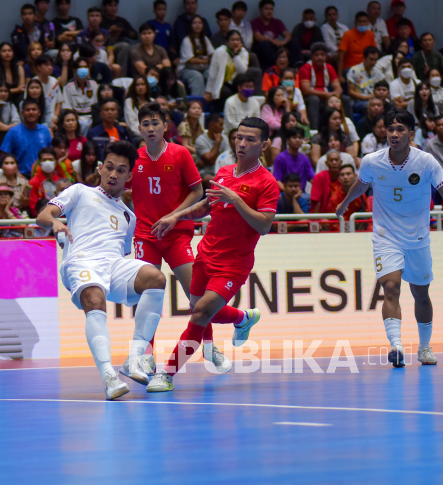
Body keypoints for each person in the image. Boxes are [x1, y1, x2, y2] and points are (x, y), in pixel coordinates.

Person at [146, 117, 277, 392]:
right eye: (239, 137)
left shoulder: (267, 183)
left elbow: (264, 225)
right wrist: (175, 217)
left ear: (263, 145)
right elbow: (206, 206)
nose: (242, 143)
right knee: (201, 311)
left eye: (250, 139)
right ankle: (243, 318)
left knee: (201, 313)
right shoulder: (224, 172)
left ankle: (166, 374)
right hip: (206, 255)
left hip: (233, 264)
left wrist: (236, 200)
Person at [336, 109, 443, 368]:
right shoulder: (371, 161)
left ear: (411, 135)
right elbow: (362, 184)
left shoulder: (426, 162)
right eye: (390, 129)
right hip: (386, 236)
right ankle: (396, 346)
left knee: (421, 294)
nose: (394, 134)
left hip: (418, 237)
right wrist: (345, 204)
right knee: (390, 288)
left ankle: (424, 347)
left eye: (400, 130)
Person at [37, 140, 166, 399]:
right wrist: (56, 224)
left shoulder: (129, 216)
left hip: (113, 265)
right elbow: (43, 215)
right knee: (95, 298)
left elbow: (124, 254)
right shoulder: (79, 192)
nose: (113, 174)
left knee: (156, 277)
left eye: (121, 170)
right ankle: (109, 376)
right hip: (82, 260)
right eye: (109, 167)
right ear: (100, 168)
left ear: (129, 176)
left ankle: (135, 358)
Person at [132, 103, 230, 373]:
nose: (150, 128)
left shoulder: (180, 154)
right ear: (139, 128)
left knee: (198, 297)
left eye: (155, 123)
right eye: (145, 124)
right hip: (146, 236)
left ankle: (209, 347)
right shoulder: (134, 160)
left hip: (177, 235)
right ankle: (147, 354)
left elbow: (197, 191)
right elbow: (118, 191)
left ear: (165, 127)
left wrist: (173, 216)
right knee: (147, 298)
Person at [299, 42, 344, 130]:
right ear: (311, 56)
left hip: (325, 99)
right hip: (309, 100)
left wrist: (336, 94)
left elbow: (338, 87)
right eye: (317, 55)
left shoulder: (329, 67)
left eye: (322, 55)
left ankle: (344, 127)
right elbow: (306, 91)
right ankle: (314, 129)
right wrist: (327, 94)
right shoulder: (305, 68)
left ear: (326, 56)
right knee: (314, 99)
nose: (320, 57)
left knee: (345, 99)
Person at [204, 30, 250, 109]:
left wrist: (236, 56)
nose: (235, 42)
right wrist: (208, 91)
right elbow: (213, 73)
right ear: (227, 41)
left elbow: (242, 71)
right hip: (222, 83)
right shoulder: (219, 52)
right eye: (232, 40)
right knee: (226, 92)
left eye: (238, 40)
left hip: (236, 83)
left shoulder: (244, 52)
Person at [251, 0, 292, 70]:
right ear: (261, 10)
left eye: (271, 9)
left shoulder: (277, 22)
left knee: (293, 42)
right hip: (261, 50)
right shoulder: (255, 22)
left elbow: (287, 34)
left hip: (275, 47)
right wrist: (273, 41)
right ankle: (274, 67)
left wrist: (284, 41)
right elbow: (258, 36)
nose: (269, 11)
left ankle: (296, 66)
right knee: (266, 43)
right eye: (266, 9)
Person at [337, 12, 377, 79]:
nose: (362, 24)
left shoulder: (370, 34)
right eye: (360, 22)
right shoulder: (348, 35)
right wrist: (340, 76)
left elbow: (374, 52)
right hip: (350, 68)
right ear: (355, 23)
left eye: (365, 21)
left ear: (368, 22)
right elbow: (341, 56)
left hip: (366, 67)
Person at [273, 126, 315, 191]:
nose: (297, 140)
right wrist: (289, 192)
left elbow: (312, 179)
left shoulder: (305, 159)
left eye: (300, 138)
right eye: (294, 137)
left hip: (301, 194)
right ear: (288, 140)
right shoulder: (280, 158)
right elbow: (277, 180)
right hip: (285, 193)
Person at [61, 62, 98, 134]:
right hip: (77, 116)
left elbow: (97, 105)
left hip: (91, 115)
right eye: (80, 67)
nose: (83, 69)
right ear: (75, 70)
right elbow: (67, 107)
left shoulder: (94, 84)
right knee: (83, 125)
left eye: (85, 67)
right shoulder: (69, 86)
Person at [347, 47, 382, 115]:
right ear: (364, 58)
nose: (373, 62)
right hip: (358, 101)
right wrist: (365, 97)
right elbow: (350, 92)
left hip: (375, 99)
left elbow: (382, 86)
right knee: (370, 106)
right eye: (371, 59)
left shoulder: (378, 72)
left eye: (375, 60)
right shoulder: (354, 70)